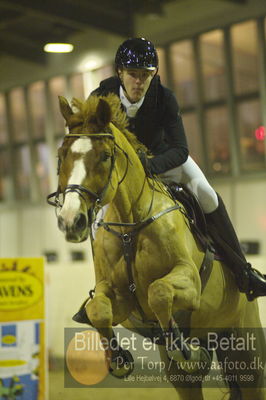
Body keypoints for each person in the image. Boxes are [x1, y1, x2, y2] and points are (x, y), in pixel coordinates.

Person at [90, 37, 266, 301]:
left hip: (165, 162)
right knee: (96, 221)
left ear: (154, 74)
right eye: (133, 75)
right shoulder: (100, 98)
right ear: (120, 73)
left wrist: (147, 166)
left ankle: (243, 270)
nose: (139, 82)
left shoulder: (165, 98)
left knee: (206, 194)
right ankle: (99, 286)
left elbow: (181, 149)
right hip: (123, 175)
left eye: (146, 75)